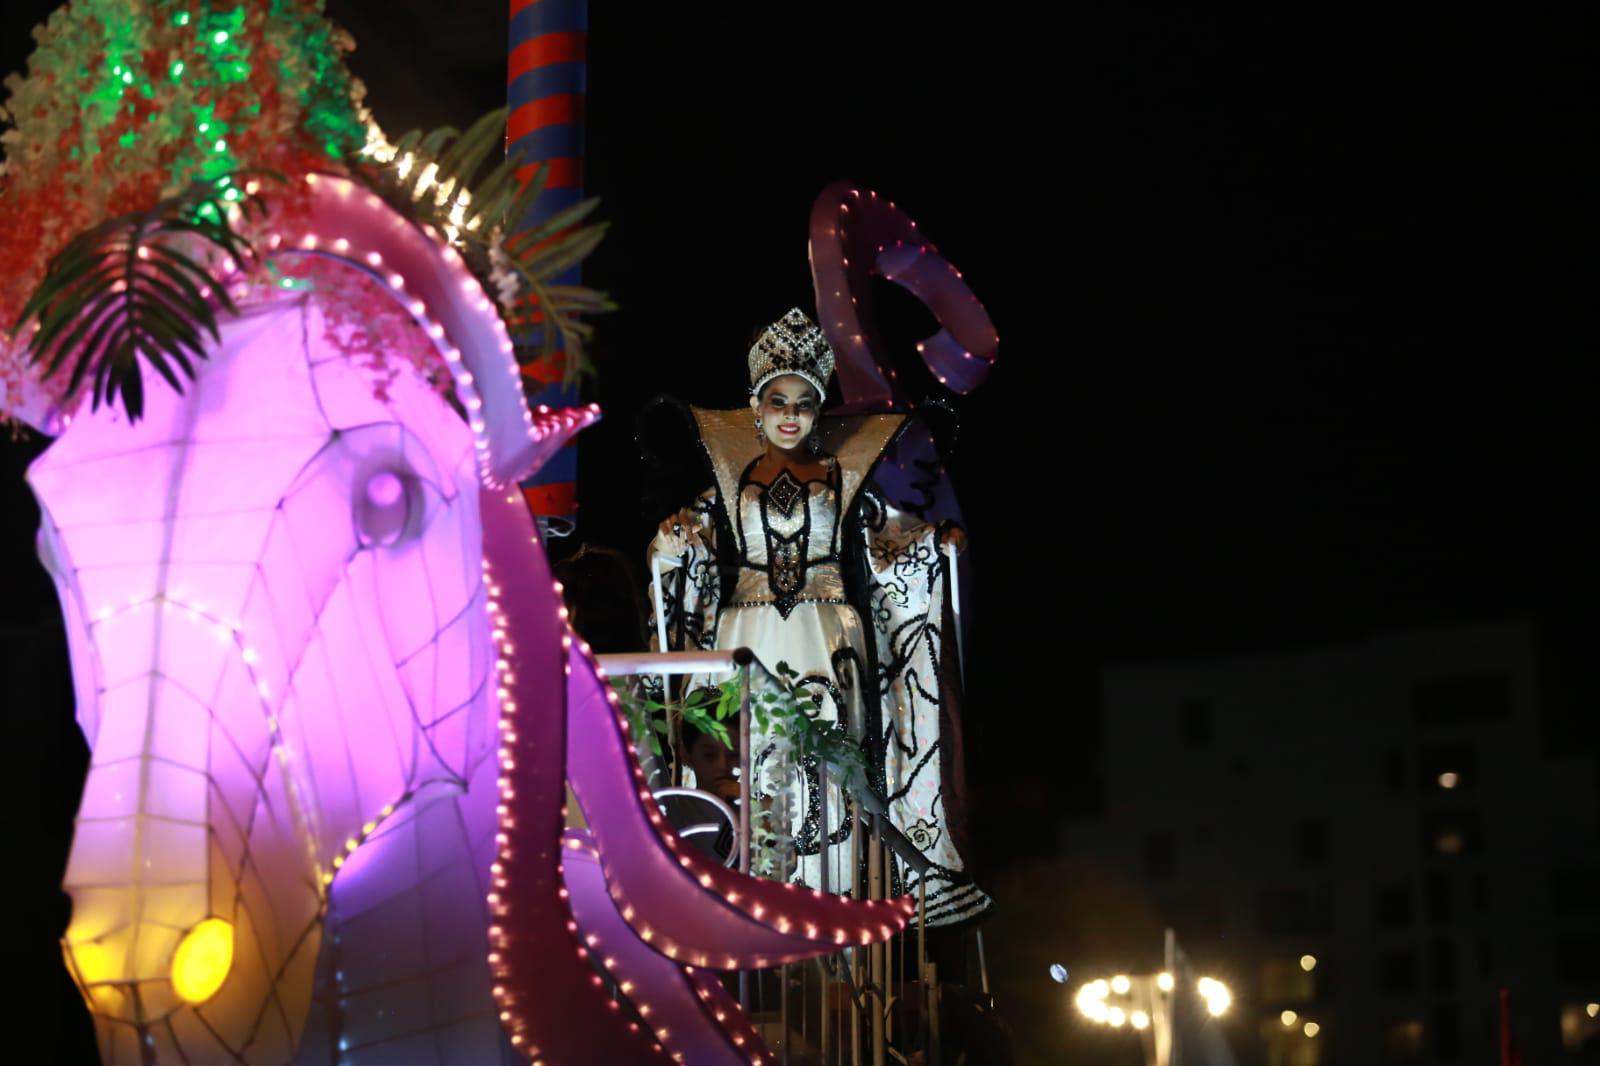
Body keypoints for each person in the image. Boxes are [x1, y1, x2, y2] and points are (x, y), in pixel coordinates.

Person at [647, 308, 990, 925]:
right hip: (746, 633)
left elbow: (892, 538)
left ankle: (827, 898)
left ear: (819, 407)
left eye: (804, 403)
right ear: (756, 404)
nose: (789, 414)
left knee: (830, 757)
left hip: (829, 635)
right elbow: (688, 537)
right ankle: (746, 892)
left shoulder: (844, 476)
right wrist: (676, 541)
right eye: (777, 400)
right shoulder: (727, 481)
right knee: (751, 754)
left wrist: (932, 545)